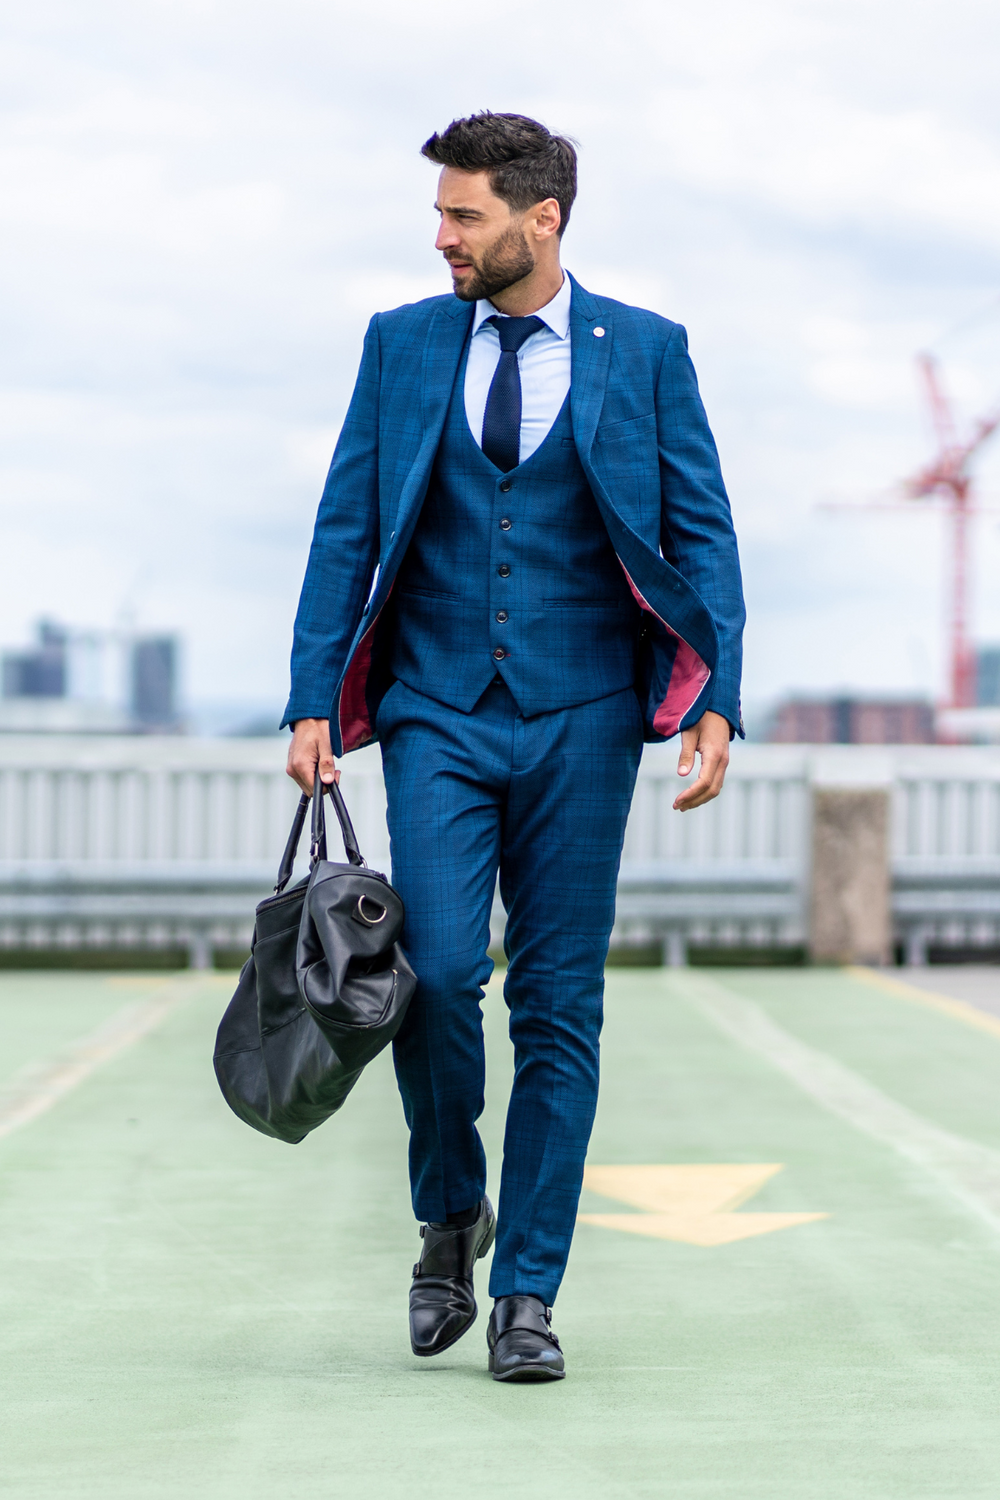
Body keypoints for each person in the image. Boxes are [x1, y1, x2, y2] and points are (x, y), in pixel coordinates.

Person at [284, 112, 745, 1383]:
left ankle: (527, 1290)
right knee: (428, 977)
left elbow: (700, 532)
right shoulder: (402, 344)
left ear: (540, 221)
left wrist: (717, 697)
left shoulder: (644, 351)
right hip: (435, 708)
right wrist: (313, 694)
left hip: (586, 714)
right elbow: (344, 525)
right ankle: (451, 1215)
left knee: (560, 1007)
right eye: (441, 216)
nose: (442, 238)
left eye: (464, 216)